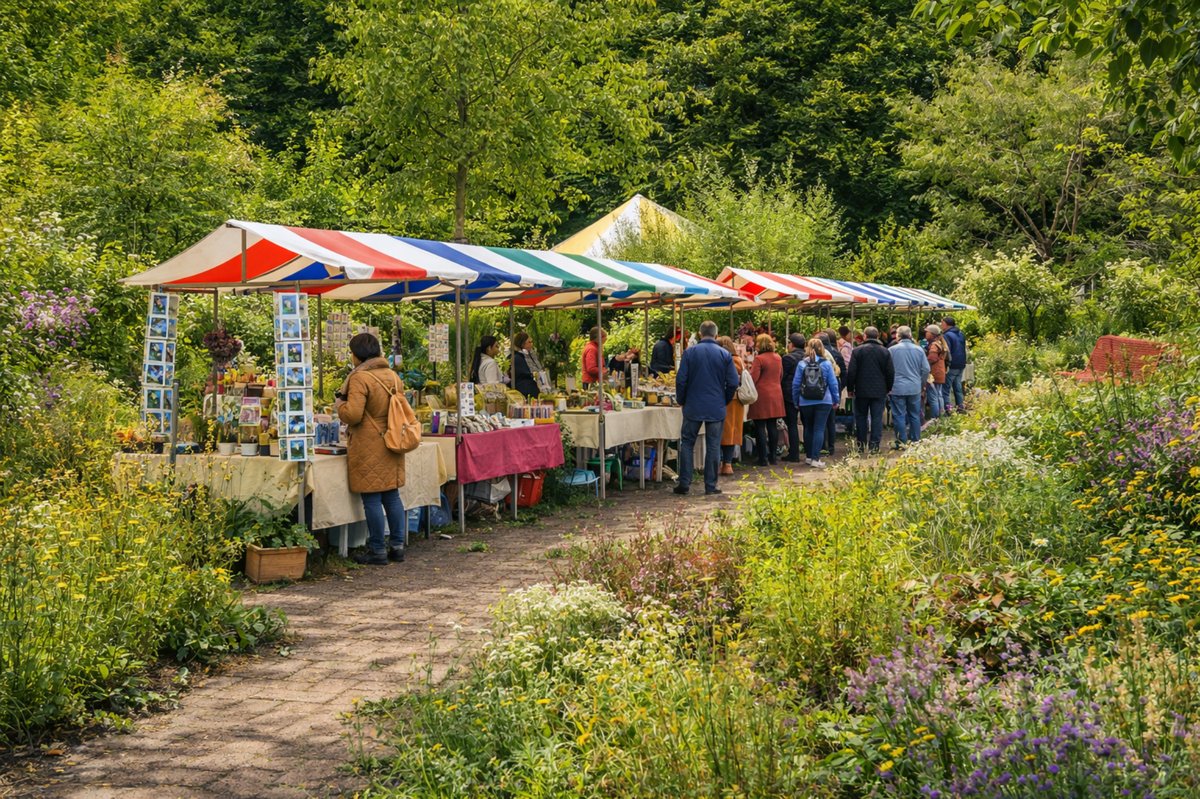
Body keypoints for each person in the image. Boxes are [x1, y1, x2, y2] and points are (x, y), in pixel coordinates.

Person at [335, 333, 407, 566]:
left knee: (372, 498)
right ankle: (397, 546)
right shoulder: (392, 375)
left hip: (368, 443)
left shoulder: (360, 378)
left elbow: (353, 415)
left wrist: (340, 405)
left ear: (357, 355)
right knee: (392, 496)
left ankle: (377, 550)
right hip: (393, 439)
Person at [675, 320, 739, 495]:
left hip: (693, 404)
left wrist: (682, 400)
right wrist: (724, 399)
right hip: (716, 405)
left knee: (687, 443)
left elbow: (681, 380)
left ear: (700, 334)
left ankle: (685, 482)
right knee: (713, 445)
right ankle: (710, 485)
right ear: (716, 334)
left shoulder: (689, 353)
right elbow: (733, 382)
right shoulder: (725, 354)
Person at [843, 326, 894, 453]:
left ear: (865, 336)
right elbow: (890, 372)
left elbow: (852, 372)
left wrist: (850, 388)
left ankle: (861, 445)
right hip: (880, 390)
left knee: (861, 417)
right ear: (877, 336)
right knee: (877, 418)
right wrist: (888, 387)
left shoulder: (857, 351)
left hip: (861, 390)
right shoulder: (885, 351)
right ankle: (874, 446)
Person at [792, 337, 839, 468]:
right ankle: (815, 458)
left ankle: (808, 457)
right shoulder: (826, 364)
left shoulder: (801, 364)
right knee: (819, 428)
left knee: (808, 428)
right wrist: (836, 399)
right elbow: (833, 384)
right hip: (824, 400)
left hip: (805, 401)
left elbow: (796, 384)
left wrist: (796, 400)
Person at [888, 325, 930, 448]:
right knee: (914, 415)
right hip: (914, 387)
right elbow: (926, 369)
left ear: (897, 336)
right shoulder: (919, 350)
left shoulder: (892, 350)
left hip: (897, 387)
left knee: (899, 415)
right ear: (910, 335)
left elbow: (887, 370)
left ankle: (901, 441)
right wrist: (921, 383)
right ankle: (915, 440)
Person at [748, 333, 784, 466]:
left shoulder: (759, 359)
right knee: (772, 425)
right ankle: (773, 456)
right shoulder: (778, 357)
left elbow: (753, 378)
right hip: (776, 393)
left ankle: (762, 458)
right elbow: (781, 375)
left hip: (762, 394)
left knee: (760, 426)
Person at [716, 336, 745, 475]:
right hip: (735, 400)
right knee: (731, 432)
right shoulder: (738, 359)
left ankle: (725, 463)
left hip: (729, 399)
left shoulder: (730, 360)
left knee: (725, 433)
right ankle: (727, 464)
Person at [819, 330, 846, 456]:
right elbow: (844, 373)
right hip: (833, 390)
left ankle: (823, 446)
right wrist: (839, 389)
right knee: (831, 420)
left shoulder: (816, 355)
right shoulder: (836, 353)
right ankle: (831, 446)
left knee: (822, 421)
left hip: (820, 392)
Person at [779, 332, 806, 463]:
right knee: (807, 423)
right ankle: (810, 451)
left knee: (792, 424)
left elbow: (782, 376)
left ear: (792, 344)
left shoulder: (788, 358)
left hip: (789, 394)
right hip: (806, 393)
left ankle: (794, 453)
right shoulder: (808, 356)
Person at [941, 316, 968, 413]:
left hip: (952, 365)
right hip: (961, 363)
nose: (941, 325)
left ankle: (948, 410)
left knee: (946, 389)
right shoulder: (960, 334)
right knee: (958, 387)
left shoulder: (947, 335)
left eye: (942, 323)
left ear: (946, 324)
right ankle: (960, 407)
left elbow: (947, 351)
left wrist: (946, 363)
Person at [924, 324, 949, 420]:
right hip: (940, 373)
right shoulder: (940, 343)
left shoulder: (934, 345)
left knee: (933, 397)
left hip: (934, 374)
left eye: (927, 332)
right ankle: (941, 416)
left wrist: (924, 362)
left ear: (932, 334)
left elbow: (932, 358)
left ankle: (935, 418)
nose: (926, 334)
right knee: (939, 395)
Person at [511, 331, 543, 399]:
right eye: (529, 342)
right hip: (525, 390)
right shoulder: (517, 358)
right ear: (522, 344)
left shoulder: (531, 355)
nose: (531, 344)